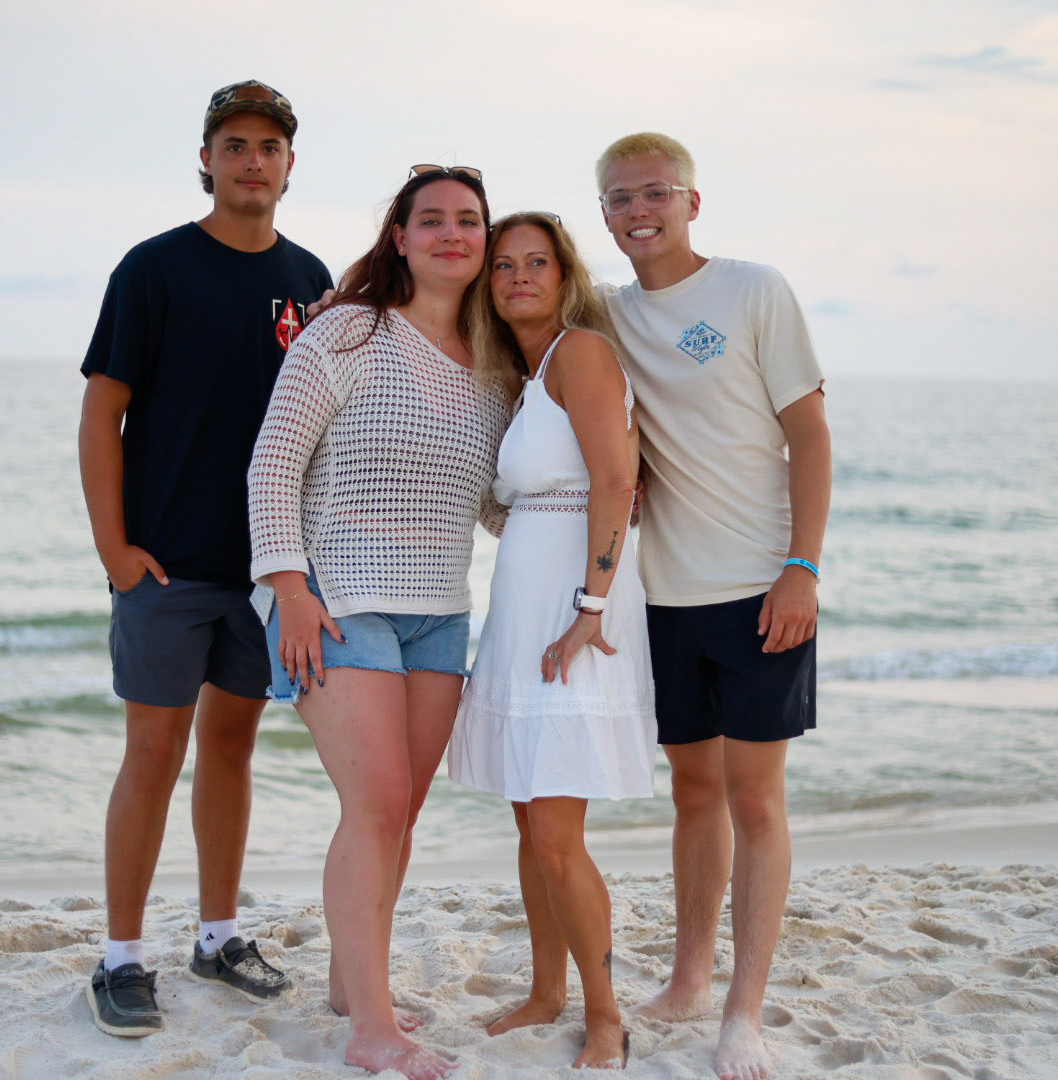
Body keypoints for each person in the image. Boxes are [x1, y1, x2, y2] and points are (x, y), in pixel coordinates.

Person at [76, 79, 332, 1038]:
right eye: (235, 145)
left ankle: (217, 938)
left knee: (232, 749)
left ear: (290, 164)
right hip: (167, 568)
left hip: (264, 572)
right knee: (153, 754)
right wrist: (115, 548)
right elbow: (102, 412)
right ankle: (121, 958)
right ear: (207, 159)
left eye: (269, 146)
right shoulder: (154, 269)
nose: (252, 161)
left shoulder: (310, 280)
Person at [246, 165, 510, 1080]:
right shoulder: (347, 332)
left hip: (440, 611)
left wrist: (594, 507)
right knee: (379, 804)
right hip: (333, 597)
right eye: (431, 219)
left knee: (402, 814)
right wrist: (288, 590)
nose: (451, 234)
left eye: (468, 220)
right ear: (399, 237)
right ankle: (371, 1027)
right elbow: (273, 465)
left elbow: (492, 503)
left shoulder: (496, 366)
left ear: (485, 240)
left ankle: (348, 984)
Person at [594, 133, 831, 1080]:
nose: (639, 211)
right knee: (693, 793)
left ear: (692, 202)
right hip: (664, 595)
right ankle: (691, 979)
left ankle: (745, 1011)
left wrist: (802, 566)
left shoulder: (754, 290)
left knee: (755, 799)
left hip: (761, 587)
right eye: (620, 198)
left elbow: (809, 434)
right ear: (605, 215)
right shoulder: (607, 314)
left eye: (656, 192)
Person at [447, 212, 654, 1070]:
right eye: (503, 265)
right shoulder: (526, 377)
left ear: (564, 276)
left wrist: (590, 607)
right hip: (525, 610)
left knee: (558, 834)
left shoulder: (581, 353)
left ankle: (605, 1016)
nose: (519, 277)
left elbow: (616, 480)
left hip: (577, 613)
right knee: (532, 823)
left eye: (537, 263)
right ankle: (546, 992)